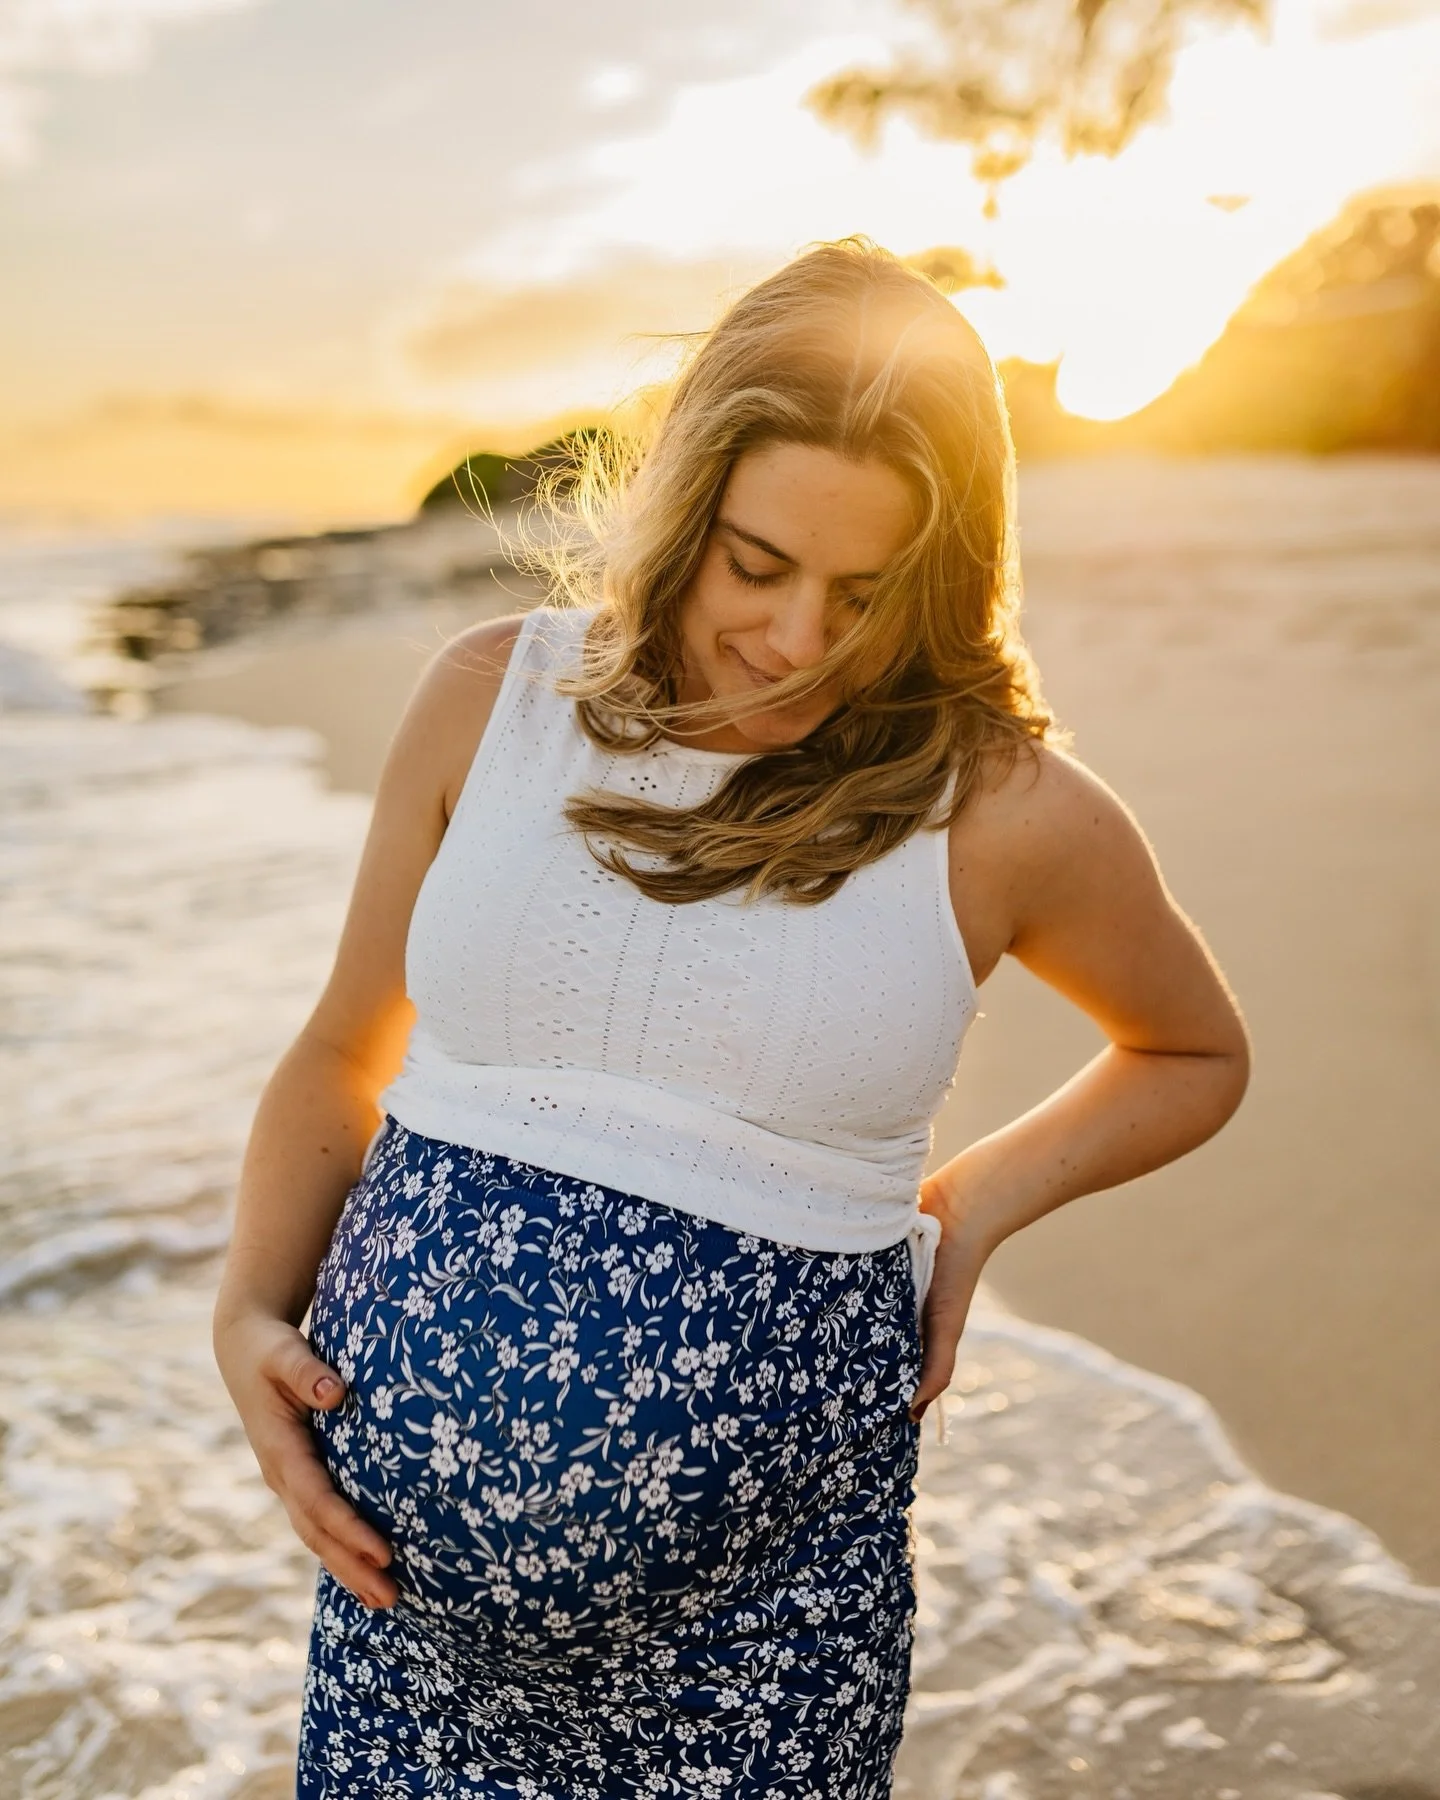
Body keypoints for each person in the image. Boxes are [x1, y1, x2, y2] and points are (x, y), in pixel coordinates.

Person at [213, 240, 1249, 1799]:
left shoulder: (1003, 811)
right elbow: (340, 1048)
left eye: (867, 592)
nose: (796, 639)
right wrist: (245, 1317)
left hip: (760, 1659)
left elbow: (1193, 1051)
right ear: (686, 507)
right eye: (756, 567)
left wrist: (963, 1215)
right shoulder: (488, 699)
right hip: (409, 1647)